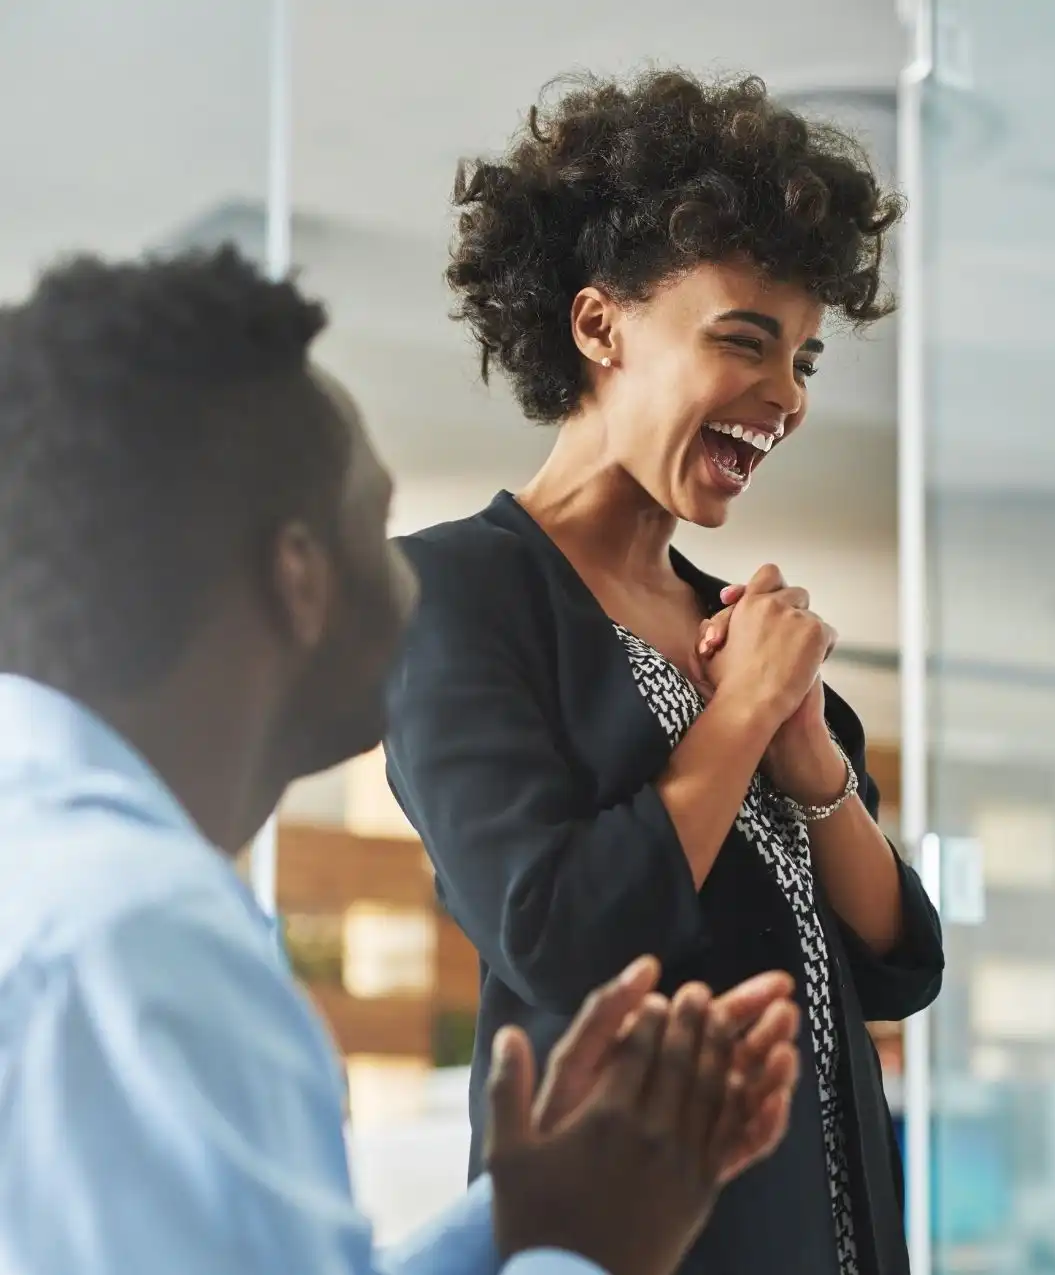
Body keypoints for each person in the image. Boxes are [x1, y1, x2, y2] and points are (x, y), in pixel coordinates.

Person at [0, 247, 804, 1275]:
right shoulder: (137, 948)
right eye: (374, 530)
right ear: (298, 579)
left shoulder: (72, 898)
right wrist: (596, 1256)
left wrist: (523, 1222)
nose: (413, 585)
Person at [383, 69, 944, 1275]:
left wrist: (815, 771)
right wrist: (736, 719)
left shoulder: (736, 624)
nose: (786, 396)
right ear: (599, 327)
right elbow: (561, 935)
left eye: (803, 357)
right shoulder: (452, 599)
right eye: (745, 341)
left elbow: (901, 962)